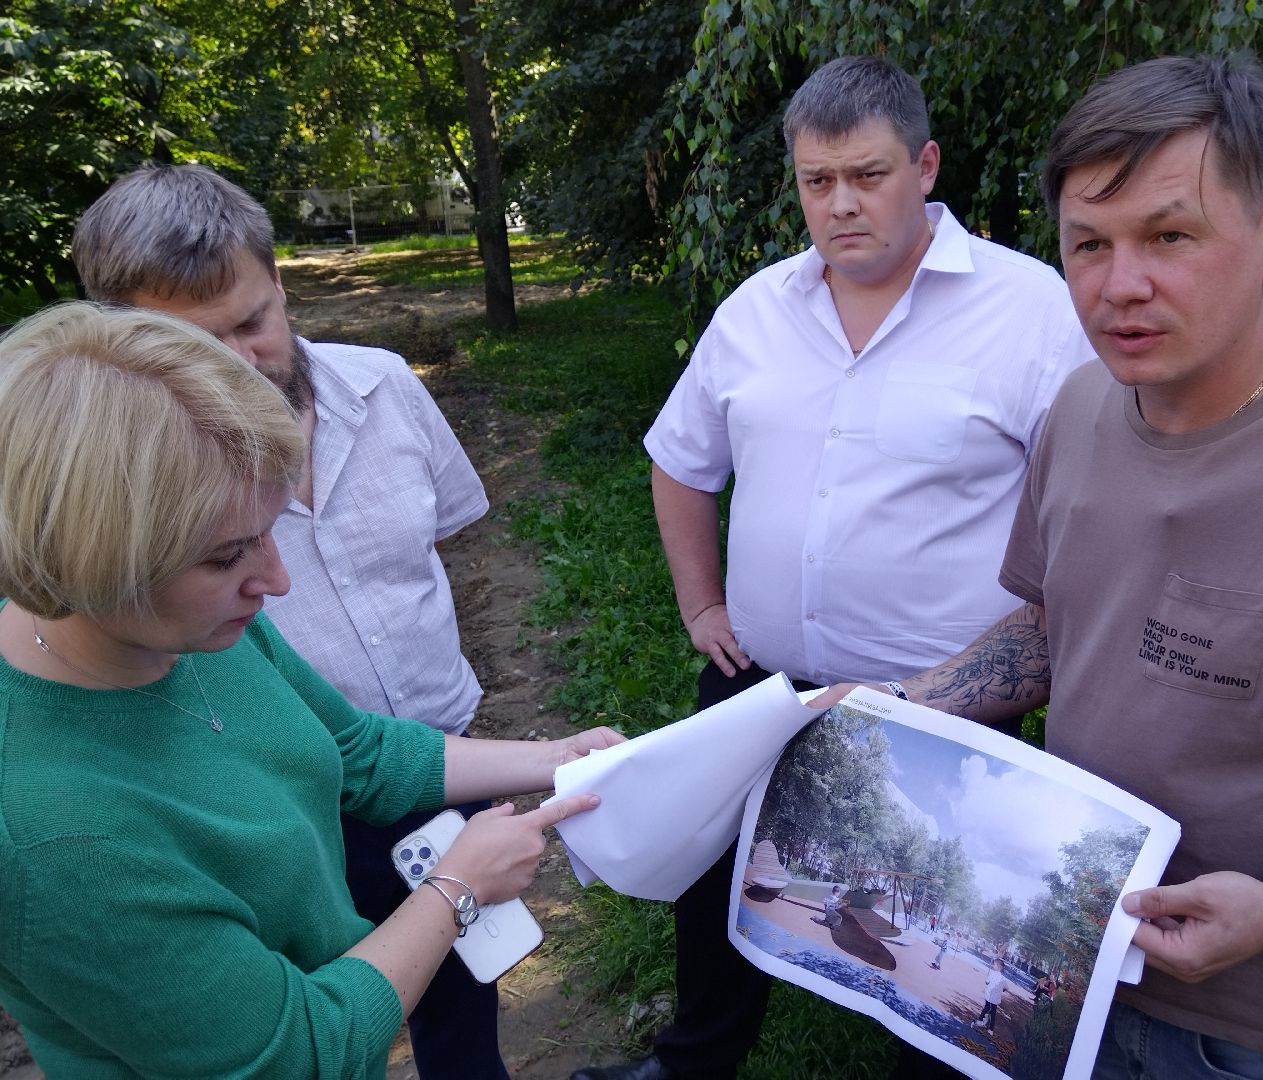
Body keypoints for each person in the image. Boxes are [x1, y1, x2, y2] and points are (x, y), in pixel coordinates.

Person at [822, 55, 1263, 1077]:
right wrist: (892, 705)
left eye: (1171, 236)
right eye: (1088, 246)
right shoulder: (1080, 409)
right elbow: (1063, 626)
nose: (1120, 287)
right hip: (1070, 968)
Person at [574, 54, 1092, 1080]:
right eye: (819, 181)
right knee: (714, 872)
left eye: (869, 174)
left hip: (939, 705)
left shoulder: (1033, 314)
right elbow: (679, 463)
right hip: (756, 677)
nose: (842, 204)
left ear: (927, 165)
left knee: (929, 900)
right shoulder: (758, 310)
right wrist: (699, 601)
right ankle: (692, 1061)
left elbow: (1091, 515)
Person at [0, 302, 620, 1078]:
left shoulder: (188, 627)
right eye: (227, 556)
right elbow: (295, 1054)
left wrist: (559, 756)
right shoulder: (54, 841)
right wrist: (455, 889)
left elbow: (358, 751)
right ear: (96, 561)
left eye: (269, 531)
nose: (277, 579)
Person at [71, 164, 505, 1079]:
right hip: (286, 806)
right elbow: (286, 1044)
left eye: (251, 322)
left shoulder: (386, 387)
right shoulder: (115, 506)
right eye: (194, 345)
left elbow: (444, 543)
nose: (239, 365)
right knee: (326, 1014)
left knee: (464, 985)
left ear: (280, 281)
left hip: (439, 755)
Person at [974, 958, 1006, 1032]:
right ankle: (991, 1028)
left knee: (987, 1007)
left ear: (998, 966)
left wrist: (989, 983)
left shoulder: (992, 974)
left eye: (994, 964)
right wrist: (1002, 989)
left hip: (989, 995)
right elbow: (1006, 988)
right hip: (996, 998)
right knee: (993, 1012)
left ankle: (980, 1020)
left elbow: (987, 982)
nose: (993, 966)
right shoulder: (1003, 978)